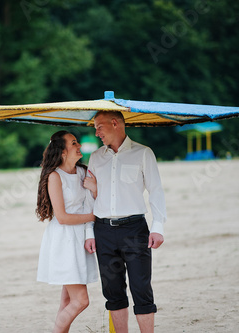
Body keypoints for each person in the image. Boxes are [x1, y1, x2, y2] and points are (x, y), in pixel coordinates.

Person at [83, 111, 167, 333]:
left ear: (114, 124)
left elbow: (156, 191)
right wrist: (89, 233)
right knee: (112, 291)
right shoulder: (95, 157)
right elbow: (88, 198)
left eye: (99, 126)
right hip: (103, 231)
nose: (96, 132)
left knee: (141, 288)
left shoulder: (143, 153)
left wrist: (158, 227)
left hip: (135, 230)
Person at [36, 130, 99, 333]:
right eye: (74, 143)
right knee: (81, 300)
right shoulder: (55, 176)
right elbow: (62, 217)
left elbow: (92, 201)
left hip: (80, 237)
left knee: (67, 300)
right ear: (63, 151)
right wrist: (93, 218)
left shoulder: (83, 172)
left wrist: (96, 189)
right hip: (63, 240)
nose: (79, 145)